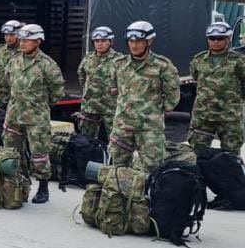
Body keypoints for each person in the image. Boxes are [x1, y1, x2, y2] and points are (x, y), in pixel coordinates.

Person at [0, 24, 65, 204]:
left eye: (27, 40)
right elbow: (6, 84)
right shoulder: (14, 61)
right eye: (22, 39)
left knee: (39, 154)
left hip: (36, 118)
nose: (23, 43)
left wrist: (39, 103)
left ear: (38, 41)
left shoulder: (47, 65)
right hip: (14, 116)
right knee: (11, 151)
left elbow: (57, 92)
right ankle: (19, 185)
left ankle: (43, 188)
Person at [109, 21, 180, 172]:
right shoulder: (118, 64)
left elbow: (172, 95)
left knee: (152, 168)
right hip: (122, 126)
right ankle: (121, 195)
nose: (134, 45)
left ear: (149, 41)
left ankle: (147, 195)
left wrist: (157, 111)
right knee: (117, 168)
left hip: (149, 129)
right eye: (131, 41)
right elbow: (114, 89)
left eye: (139, 41)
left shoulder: (162, 66)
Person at [188, 21, 245, 153]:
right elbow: (196, 77)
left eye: (220, 38)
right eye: (212, 38)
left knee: (230, 154)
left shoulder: (240, 61)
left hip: (229, 117)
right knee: (198, 152)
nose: (215, 41)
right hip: (203, 116)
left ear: (229, 38)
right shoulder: (199, 60)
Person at [76, 26, 124, 140]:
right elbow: (81, 75)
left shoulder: (119, 60)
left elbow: (125, 82)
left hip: (111, 107)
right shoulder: (88, 58)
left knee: (116, 140)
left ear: (110, 42)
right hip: (90, 106)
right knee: (86, 139)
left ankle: (110, 158)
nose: (99, 44)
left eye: (103, 41)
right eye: (97, 41)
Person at [0, 20, 24, 131]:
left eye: (12, 35)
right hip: (0, 98)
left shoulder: (25, 52)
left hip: (18, 100)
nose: (8, 38)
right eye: (6, 35)